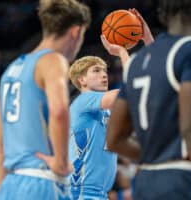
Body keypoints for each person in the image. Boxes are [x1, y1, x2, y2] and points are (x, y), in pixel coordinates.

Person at [105, 0, 191, 199]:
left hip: (145, 182)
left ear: (164, 15)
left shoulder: (136, 62)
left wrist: (158, 157)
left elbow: (114, 139)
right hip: (184, 180)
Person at [0, 1, 91, 199]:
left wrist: (6, 190)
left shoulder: (11, 70)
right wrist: (61, 162)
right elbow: (59, 111)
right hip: (43, 181)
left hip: (10, 185)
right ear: (75, 32)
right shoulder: (53, 60)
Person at [68, 9, 153, 200]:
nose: (104, 74)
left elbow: (148, 84)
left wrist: (146, 38)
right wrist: (122, 52)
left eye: (105, 70)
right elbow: (132, 87)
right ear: (81, 80)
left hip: (98, 194)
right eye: (96, 71)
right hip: (80, 194)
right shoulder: (83, 101)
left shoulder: (107, 112)